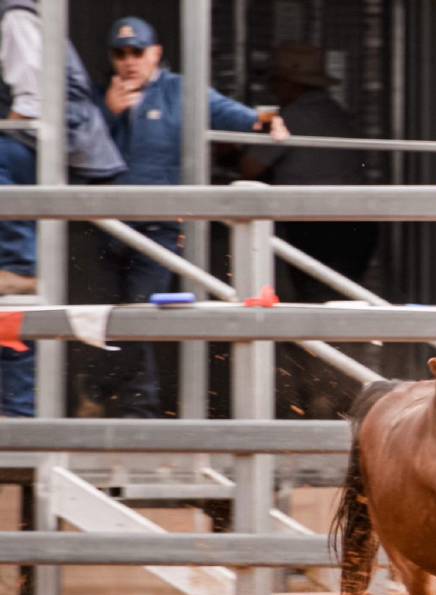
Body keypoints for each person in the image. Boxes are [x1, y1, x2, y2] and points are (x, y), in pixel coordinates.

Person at [79, 16, 287, 418]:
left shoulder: (179, 91)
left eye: (136, 52)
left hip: (158, 229)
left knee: (140, 314)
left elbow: (230, 113)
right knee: (100, 318)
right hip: (106, 227)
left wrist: (265, 119)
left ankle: (141, 410)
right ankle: (107, 396)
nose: (128, 61)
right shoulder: (98, 96)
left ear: (155, 53)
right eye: (120, 53)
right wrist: (106, 113)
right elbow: (73, 146)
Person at [0, 0, 126, 417]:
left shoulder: (14, 15)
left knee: (19, 294)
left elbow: (32, 103)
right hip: (49, 150)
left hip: (46, 149)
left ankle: (21, 412)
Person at [240, 44, 378, 419]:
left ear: (289, 84)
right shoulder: (336, 113)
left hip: (317, 226)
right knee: (345, 306)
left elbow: (251, 168)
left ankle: (323, 394)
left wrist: (232, 151)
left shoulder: (292, 116)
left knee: (315, 308)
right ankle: (347, 390)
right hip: (358, 225)